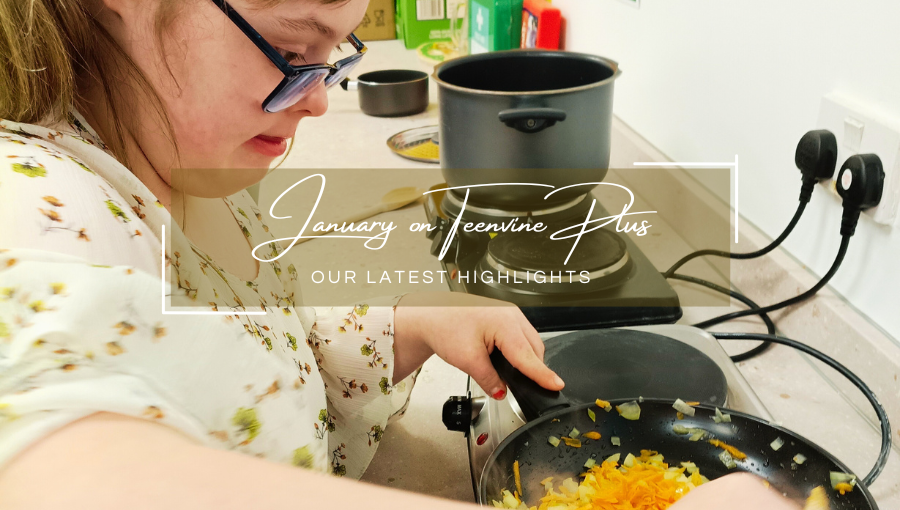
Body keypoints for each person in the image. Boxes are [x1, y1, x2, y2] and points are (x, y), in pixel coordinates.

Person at [0, 0, 798, 508]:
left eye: (335, 56)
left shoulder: (190, 166)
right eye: (291, 48)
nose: (315, 97)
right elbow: (56, 464)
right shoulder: (34, 201)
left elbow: (257, 355)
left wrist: (403, 324)